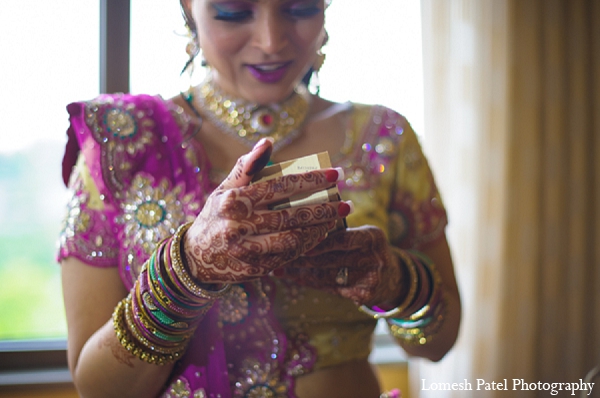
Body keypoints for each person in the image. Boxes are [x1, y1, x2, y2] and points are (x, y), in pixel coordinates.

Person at [57, 0, 461, 397]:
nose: (271, 41)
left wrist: (398, 282)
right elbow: (97, 387)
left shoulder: (382, 136)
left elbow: (439, 343)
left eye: (299, 9)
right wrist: (188, 271)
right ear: (188, 9)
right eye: (233, 12)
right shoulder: (123, 142)